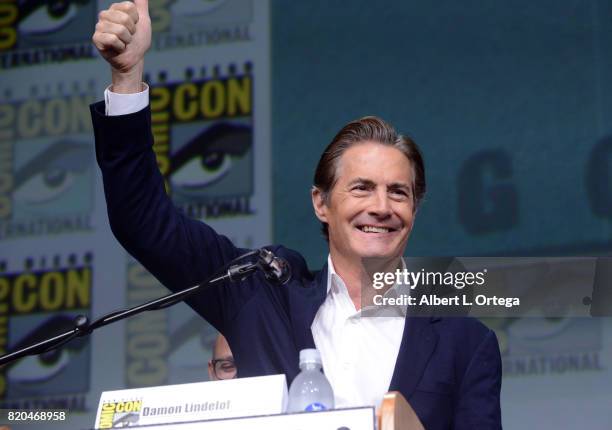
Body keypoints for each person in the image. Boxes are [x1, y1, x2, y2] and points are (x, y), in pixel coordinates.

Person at [90, 1, 502, 428]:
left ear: (414, 210)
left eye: (399, 193)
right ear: (321, 203)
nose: (381, 207)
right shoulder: (260, 295)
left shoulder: (464, 342)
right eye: (361, 188)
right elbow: (142, 220)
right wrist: (126, 77)